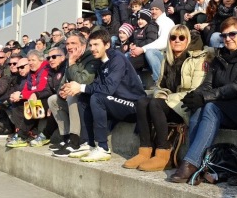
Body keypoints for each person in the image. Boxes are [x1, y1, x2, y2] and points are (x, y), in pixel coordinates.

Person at [169, 17, 237, 183]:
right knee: (198, 107)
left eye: (233, 34)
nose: (227, 39)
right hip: (224, 103)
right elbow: (207, 84)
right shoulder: (220, 57)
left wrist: (204, 97)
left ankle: (192, 162)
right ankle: (193, 163)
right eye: (224, 35)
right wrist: (195, 96)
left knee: (210, 107)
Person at [123, 25, 209, 172]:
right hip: (169, 102)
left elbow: (195, 90)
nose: (177, 41)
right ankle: (145, 151)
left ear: (187, 40)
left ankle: (163, 154)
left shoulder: (197, 59)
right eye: (173, 37)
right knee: (142, 102)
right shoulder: (166, 59)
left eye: (181, 37)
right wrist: (162, 94)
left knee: (155, 103)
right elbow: (160, 85)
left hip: (185, 105)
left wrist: (167, 98)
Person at [62, 29, 146, 162]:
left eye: (96, 45)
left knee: (97, 97)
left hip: (133, 105)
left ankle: (103, 148)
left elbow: (107, 89)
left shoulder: (117, 59)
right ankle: (88, 143)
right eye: (91, 45)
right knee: (84, 98)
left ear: (107, 45)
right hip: (114, 102)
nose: (93, 49)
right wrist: (76, 89)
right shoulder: (100, 62)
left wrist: (82, 87)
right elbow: (97, 86)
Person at [49, 31, 101, 157]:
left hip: (88, 98)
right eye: (67, 43)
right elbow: (63, 82)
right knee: (53, 99)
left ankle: (75, 140)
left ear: (83, 45)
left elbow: (85, 80)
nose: (69, 46)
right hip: (74, 97)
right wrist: (62, 90)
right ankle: (65, 137)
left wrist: (72, 63)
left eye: (73, 43)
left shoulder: (91, 57)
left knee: (72, 94)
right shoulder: (71, 58)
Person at [129, 0, 175, 86]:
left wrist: (142, 49)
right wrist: (134, 47)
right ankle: (138, 85)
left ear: (162, 10)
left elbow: (163, 43)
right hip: (154, 54)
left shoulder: (166, 22)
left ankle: (159, 81)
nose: (153, 11)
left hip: (166, 55)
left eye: (156, 9)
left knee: (150, 52)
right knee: (130, 57)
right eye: (152, 9)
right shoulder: (153, 22)